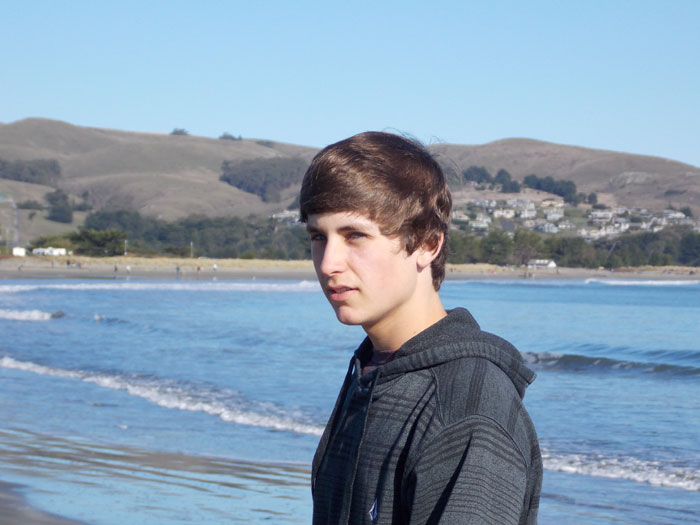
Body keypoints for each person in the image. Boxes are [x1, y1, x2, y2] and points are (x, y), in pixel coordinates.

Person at [300, 132, 541, 524]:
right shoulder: (371, 372)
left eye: (355, 236)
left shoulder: (467, 408)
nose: (328, 264)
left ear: (428, 244)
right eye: (317, 237)